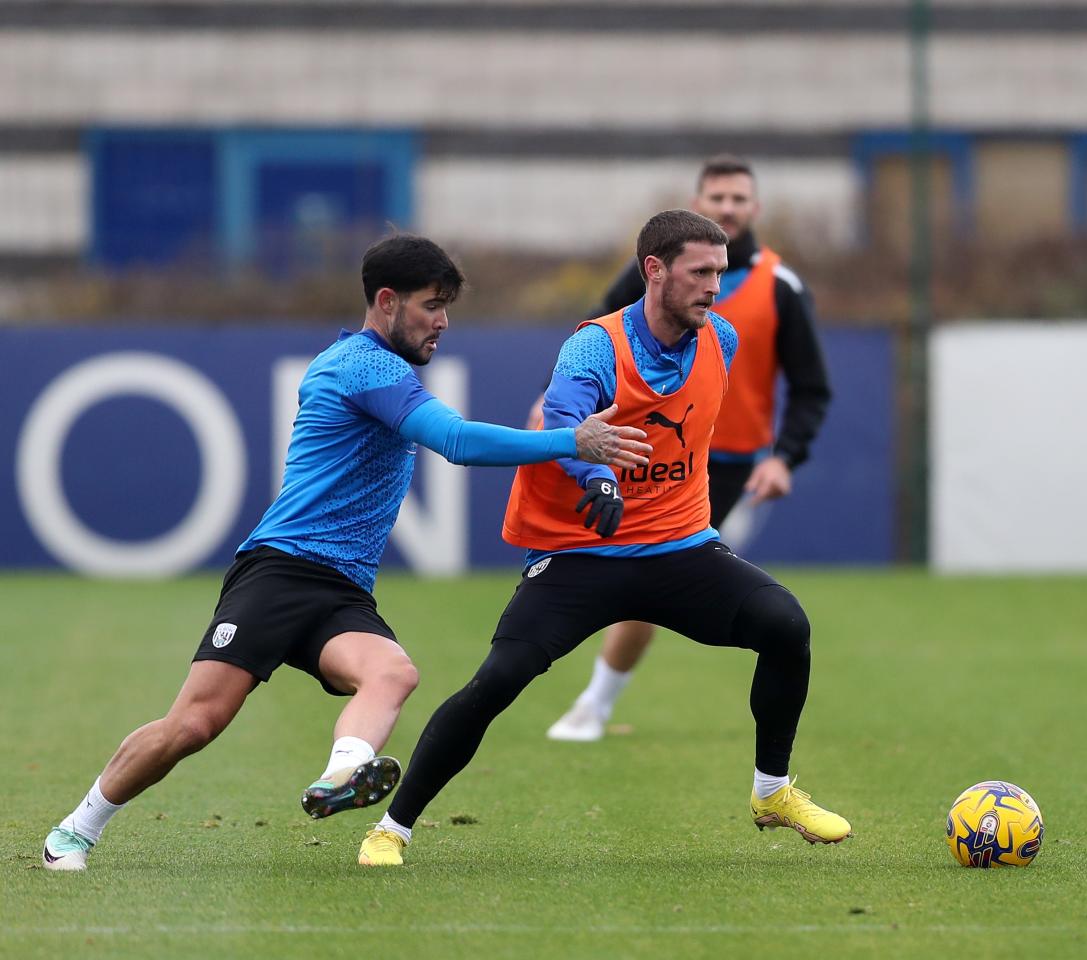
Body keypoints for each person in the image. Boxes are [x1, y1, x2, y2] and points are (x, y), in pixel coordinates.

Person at [40, 234, 651, 872]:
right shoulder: (364, 367)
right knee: (194, 724)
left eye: (447, 307)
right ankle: (74, 831)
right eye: (431, 305)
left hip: (340, 588)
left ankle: (342, 775)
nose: (443, 321)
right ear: (387, 302)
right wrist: (571, 441)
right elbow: (456, 441)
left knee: (393, 672)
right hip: (281, 570)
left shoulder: (378, 369)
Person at [357, 210, 848, 867]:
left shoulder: (721, 339)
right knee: (499, 679)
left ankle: (772, 792)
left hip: (679, 547)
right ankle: (391, 828)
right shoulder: (595, 345)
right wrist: (598, 478)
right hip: (582, 550)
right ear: (654, 270)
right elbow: (564, 412)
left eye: (720, 273)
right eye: (700, 272)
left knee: (785, 624)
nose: (714, 286)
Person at [545, 154, 832, 742]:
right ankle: (585, 695)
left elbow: (811, 387)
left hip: (722, 464)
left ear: (755, 208)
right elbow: (594, 335)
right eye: (717, 198)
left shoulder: (781, 287)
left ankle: (594, 703)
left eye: (738, 199)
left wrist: (785, 456)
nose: (728, 207)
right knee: (626, 574)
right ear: (700, 204)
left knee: (649, 576)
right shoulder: (658, 273)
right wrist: (556, 407)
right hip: (639, 449)